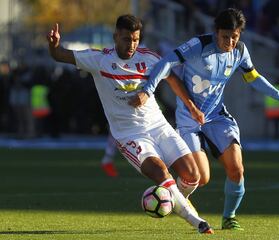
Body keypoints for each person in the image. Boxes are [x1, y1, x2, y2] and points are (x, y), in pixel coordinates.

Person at [130, 8, 279, 230]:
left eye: (234, 37)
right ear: (216, 32)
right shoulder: (198, 45)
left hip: (217, 117)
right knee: (200, 178)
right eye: (225, 36)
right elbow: (166, 63)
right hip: (189, 120)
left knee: (237, 169)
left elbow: (253, 77)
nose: (230, 41)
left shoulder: (239, 51)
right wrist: (148, 89)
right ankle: (176, 196)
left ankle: (229, 217)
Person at [47, 14, 213, 234]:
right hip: (130, 135)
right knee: (162, 173)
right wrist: (54, 45)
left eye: (135, 39)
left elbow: (172, 79)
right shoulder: (100, 59)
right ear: (116, 36)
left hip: (159, 127)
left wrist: (191, 107)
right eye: (126, 39)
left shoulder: (150, 58)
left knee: (193, 176)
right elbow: (60, 55)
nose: (131, 44)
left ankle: (173, 200)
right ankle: (197, 221)